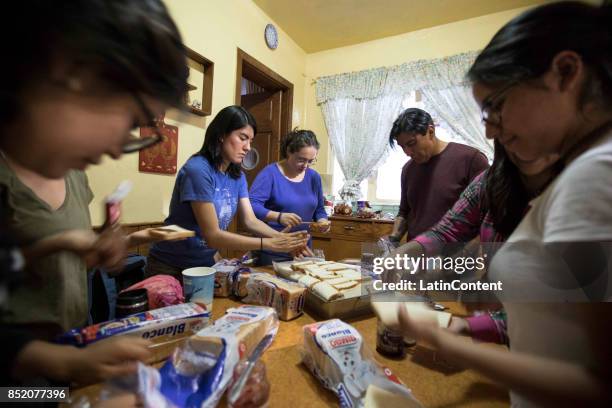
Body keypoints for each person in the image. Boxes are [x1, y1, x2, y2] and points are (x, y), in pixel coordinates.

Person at [396, 2, 612, 406]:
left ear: (566, 72)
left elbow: (598, 383)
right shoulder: (564, 171)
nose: (492, 130)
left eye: (496, 105)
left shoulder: (594, 176)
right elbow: (554, 322)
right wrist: (469, 328)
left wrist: (453, 344)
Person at [0, 0, 190, 386]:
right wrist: (61, 371)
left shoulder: (64, 170)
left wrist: (66, 243)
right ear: (76, 70)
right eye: (132, 120)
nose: (120, 148)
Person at [386, 140, 560, 344]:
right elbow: (448, 229)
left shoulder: (574, 193)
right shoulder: (490, 181)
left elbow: (549, 314)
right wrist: (406, 251)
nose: (490, 132)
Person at [146, 106, 309, 279]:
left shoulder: (237, 176)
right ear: (222, 134)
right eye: (243, 138)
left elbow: (250, 221)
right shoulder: (198, 170)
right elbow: (213, 236)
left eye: (250, 141)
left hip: (203, 263)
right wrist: (269, 244)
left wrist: (287, 241)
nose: (247, 147)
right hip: (170, 265)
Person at [388, 108, 489, 244]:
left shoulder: (471, 160)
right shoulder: (408, 169)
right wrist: (392, 241)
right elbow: (404, 212)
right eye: (402, 147)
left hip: (457, 257)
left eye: (411, 144)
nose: (407, 152)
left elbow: (487, 217)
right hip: (417, 255)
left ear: (430, 131)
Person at [249, 129, 328, 265]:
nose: (305, 166)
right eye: (301, 160)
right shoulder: (270, 174)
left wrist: (322, 221)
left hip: (303, 251)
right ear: (289, 152)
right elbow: (251, 206)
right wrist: (279, 216)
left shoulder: (314, 177)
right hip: (273, 250)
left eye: (310, 161)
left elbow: (319, 209)